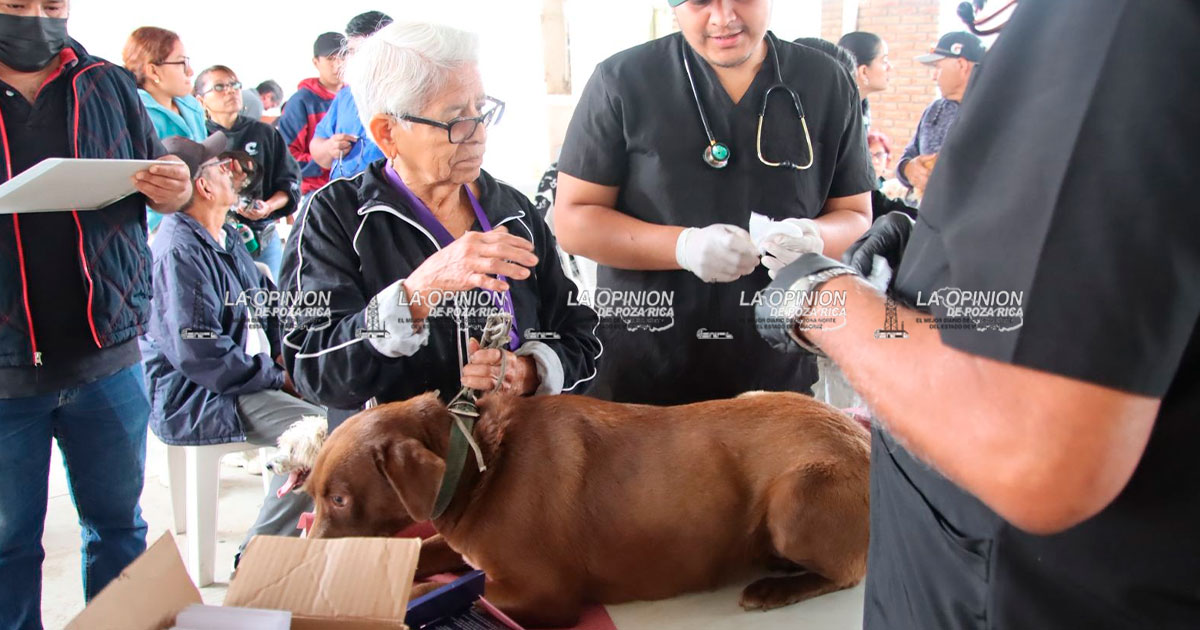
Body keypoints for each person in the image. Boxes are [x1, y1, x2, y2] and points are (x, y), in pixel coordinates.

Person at [759, 0, 1200, 627]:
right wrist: (929, 258)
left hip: (1034, 591)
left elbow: (1033, 446)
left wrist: (818, 297)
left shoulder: (1110, 23)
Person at [553, 0, 874, 405]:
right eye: (700, 1)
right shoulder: (623, 80)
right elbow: (573, 220)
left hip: (777, 363)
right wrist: (683, 247)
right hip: (649, 367)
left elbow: (857, 213)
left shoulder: (825, 81)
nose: (723, 17)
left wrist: (813, 236)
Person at [281, 20, 601, 415]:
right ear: (387, 133)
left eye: (481, 110)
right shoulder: (336, 216)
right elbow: (313, 368)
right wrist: (416, 295)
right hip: (399, 464)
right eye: (455, 120)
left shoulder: (513, 211)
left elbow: (581, 336)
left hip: (515, 453)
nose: (479, 133)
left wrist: (530, 371)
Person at [0, 2, 192, 628]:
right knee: (9, 545)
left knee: (118, 528)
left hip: (107, 355)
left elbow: (160, 175)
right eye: (13, 5)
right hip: (4, 371)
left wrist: (177, 187)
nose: (36, 18)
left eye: (52, 5)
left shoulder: (107, 82)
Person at [141, 133, 327, 561]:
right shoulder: (178, 252)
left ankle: (313, 550)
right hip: (198, 395)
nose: (231, 170)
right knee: (320, 437)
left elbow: (268, 302)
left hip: (235, 379)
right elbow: (201, 354)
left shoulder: (223, 235)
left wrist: (297, 359)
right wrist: (278, 375)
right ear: (203, 187)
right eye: (219, 167)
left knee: (345, 409)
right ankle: (258, 558)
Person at [195, 64, 300, 282]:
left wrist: (268, 206)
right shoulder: (197, 136)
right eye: (220, 87)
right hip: (213, 236)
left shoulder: (265, 133)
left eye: (234, 85)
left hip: (262, 236)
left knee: (271, 301)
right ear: (200, 99)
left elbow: (289, 182)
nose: (230, 91)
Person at [123, 26, 207, 234]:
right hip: (156, 229)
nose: (190, 71)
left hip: (201, 218)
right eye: (182, 63)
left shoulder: (192, 107)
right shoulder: (131, 113)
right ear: (153, 71)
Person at [895, 31, 984, 197]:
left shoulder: (997, 112)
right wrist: (908, 169)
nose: (934, 77)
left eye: (937, 67)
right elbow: (908, 155)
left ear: (961, 65)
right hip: (925, 216)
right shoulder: (934, 110)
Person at [308, 11, 391, 182]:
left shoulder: (412, 97)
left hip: (392, 198)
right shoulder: (346, 96)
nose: (354, 60)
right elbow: (317, 148)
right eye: (352, 52)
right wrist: (329, 147)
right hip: (344, 198)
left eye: (365, 52)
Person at [277, 32, 344, 200]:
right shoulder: (301, 102)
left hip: (356, 186)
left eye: (342, 57)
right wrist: (326, 159)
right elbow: (287, 157)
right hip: (318, 192)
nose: (337, 65)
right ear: (316, 62)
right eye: (330, 58)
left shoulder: (356, 97)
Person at [836, 31, 891, 138]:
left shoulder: (862, 106)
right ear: (863, 71)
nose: (890, 67)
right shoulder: (838, 115)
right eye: (884, 61)